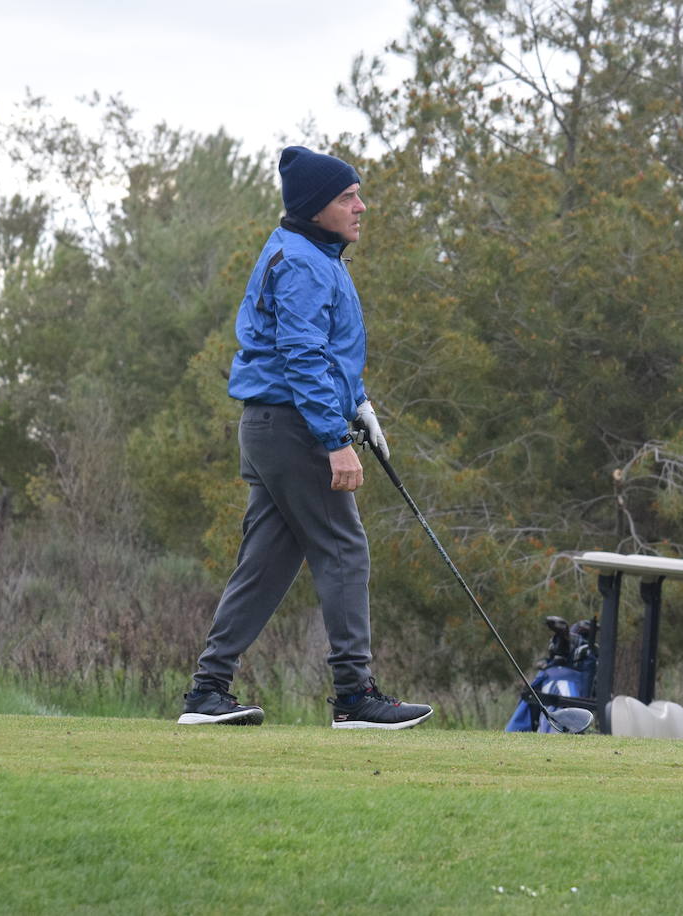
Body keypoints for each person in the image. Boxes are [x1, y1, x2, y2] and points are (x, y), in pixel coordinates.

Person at [177, 146, 433, 730]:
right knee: (344, 548)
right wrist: (334, 439)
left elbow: (329, 353)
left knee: (265, 562)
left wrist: (359, 404)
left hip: (275, 425)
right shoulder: (303, 262)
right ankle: (353, 695)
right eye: (348, 197)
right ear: (317, 207)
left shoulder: (315, 254)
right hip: (294, 427)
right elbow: (301, 356)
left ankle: (207, 690)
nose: (360, 206)